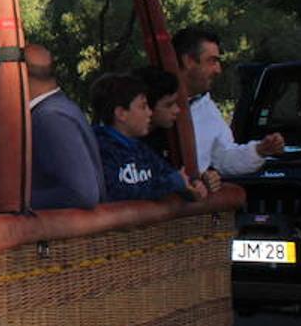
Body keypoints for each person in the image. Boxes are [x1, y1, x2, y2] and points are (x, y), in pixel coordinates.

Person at [173, 27, 284, 176]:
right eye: (212, 61)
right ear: (188, 61)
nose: (218, 70)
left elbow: (225, 158)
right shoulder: (150, 104)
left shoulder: (207, 109)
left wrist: (259, 151)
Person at [90, 73, 210, 202]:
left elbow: (169, 173)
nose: (150, 112)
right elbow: (115, 192)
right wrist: (170, 184)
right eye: (143, 106)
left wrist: (192, 183)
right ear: (121, 114)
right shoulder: (100, 151)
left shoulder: (142, 150)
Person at [25, 44, 106, 210]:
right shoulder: (60, 108)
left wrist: (16, 201)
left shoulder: (50, 118)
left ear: (19, 74)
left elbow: (81, 194)